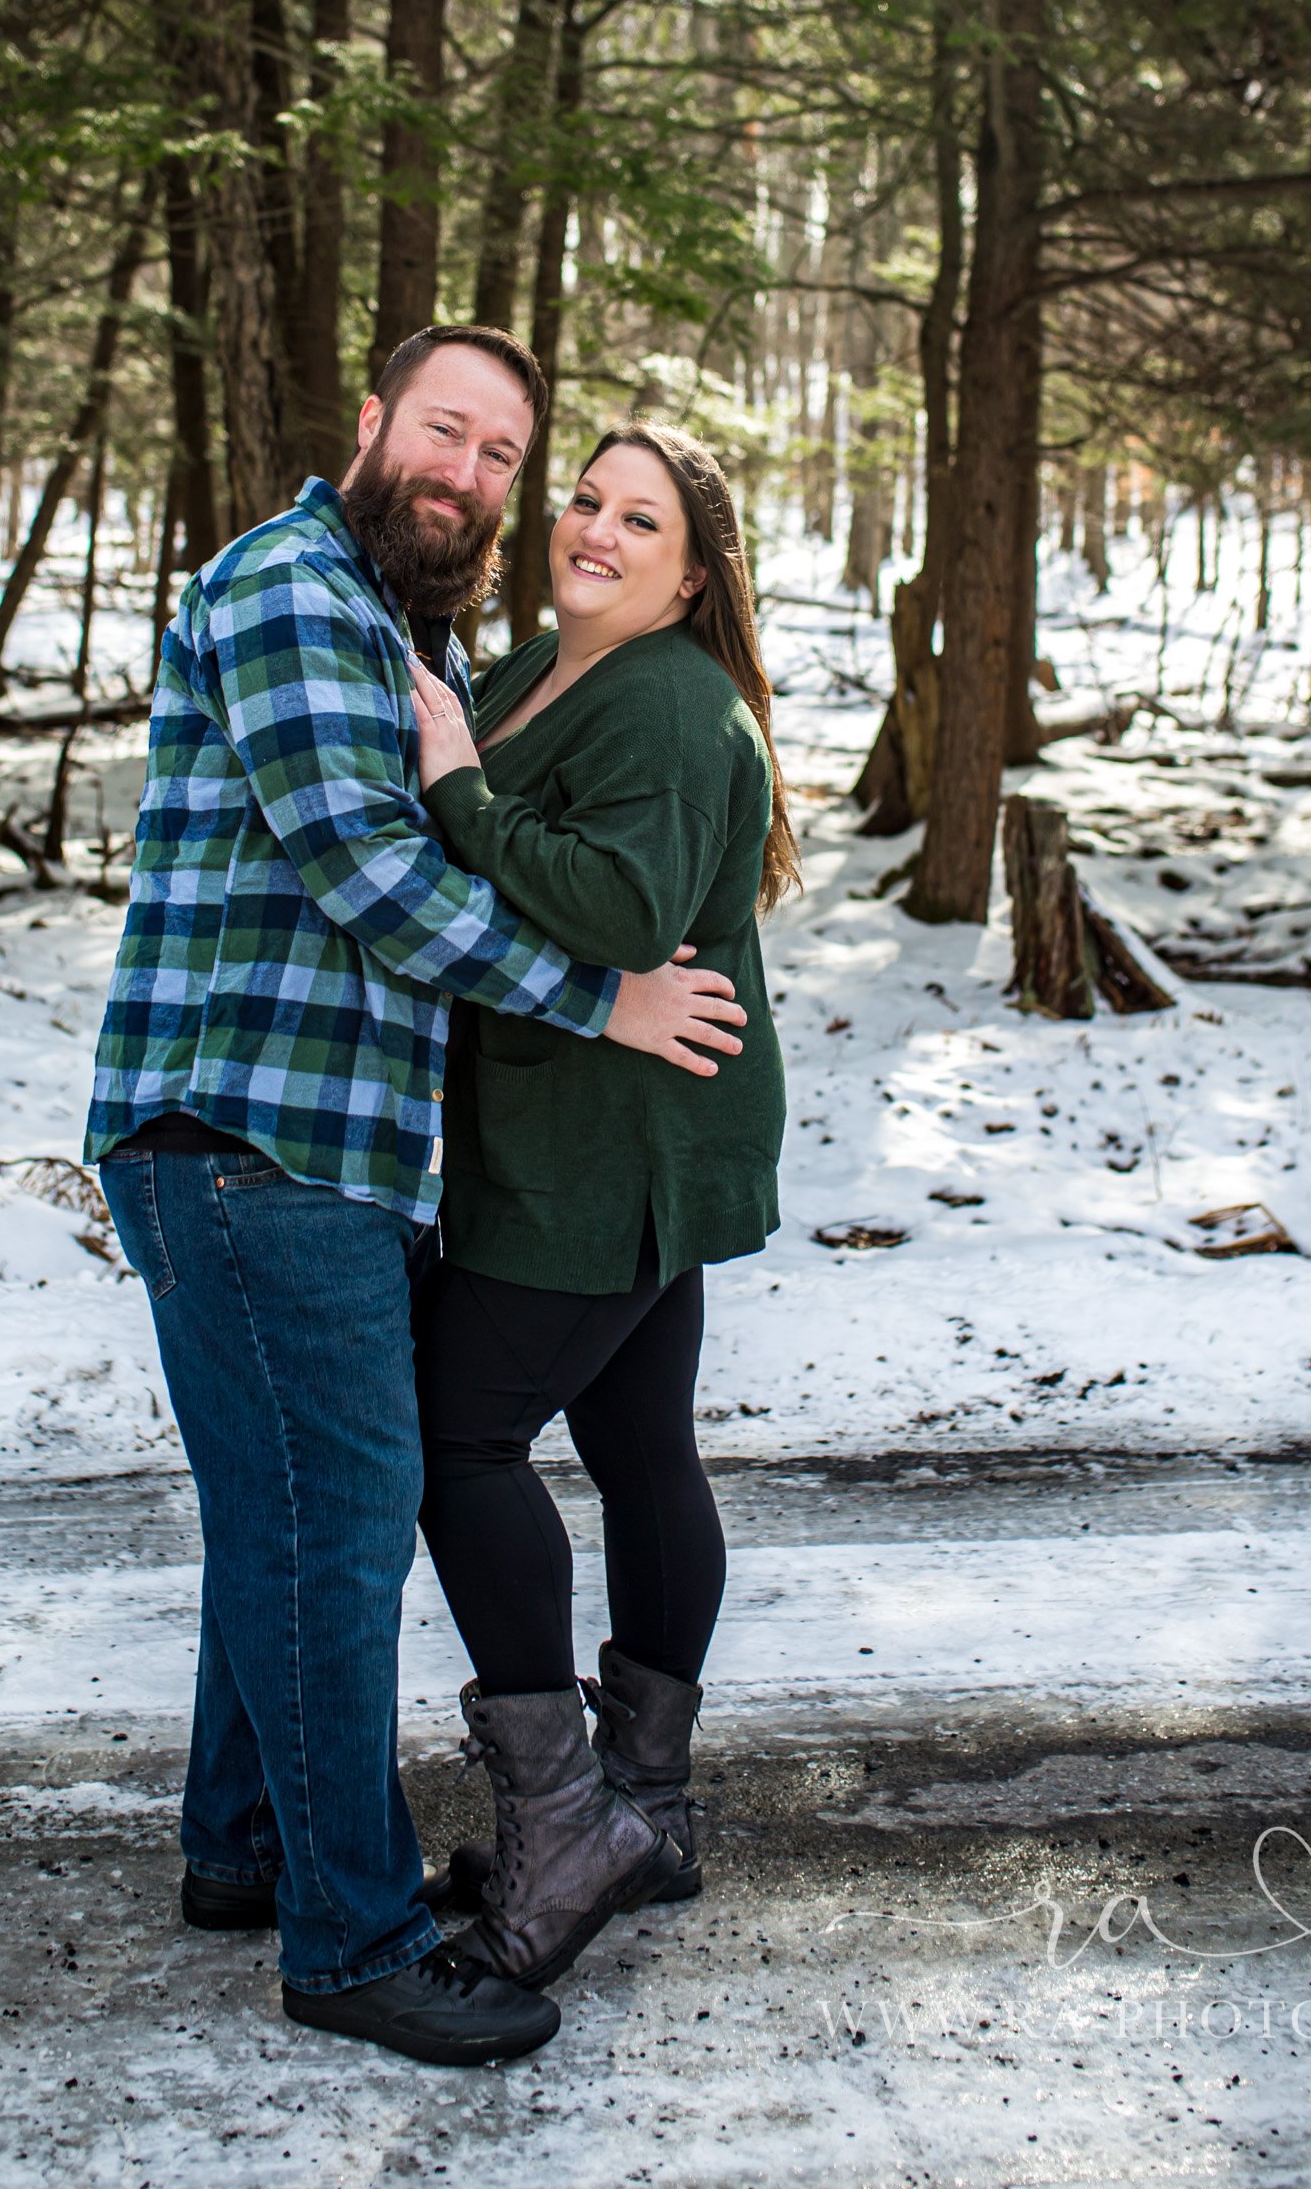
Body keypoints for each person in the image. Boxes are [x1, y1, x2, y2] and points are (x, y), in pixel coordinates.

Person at [86, 329, 748, 2069]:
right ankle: (355, 1938)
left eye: (500, 454)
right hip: (249, 1139)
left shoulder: (415, 627)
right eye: (444, 430)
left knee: (295, 1517)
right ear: (369, 423)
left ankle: (245, 1848)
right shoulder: (297, 589)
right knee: (342, 1526)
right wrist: (600, 998)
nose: (470, 472)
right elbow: (373, 871)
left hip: (330, 1152)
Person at [402, 421, 795, 1992]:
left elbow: (626, 908)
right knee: (642, 1452)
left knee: (456, 1441)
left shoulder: (675, 703)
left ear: (693, 573)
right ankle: (647, 1812)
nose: (598, 531)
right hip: (588, 1125)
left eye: (644, 520)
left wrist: (459, 796)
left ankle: (571, 1825)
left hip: (614, 1146)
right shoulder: (527, 678)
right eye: (586, 500)